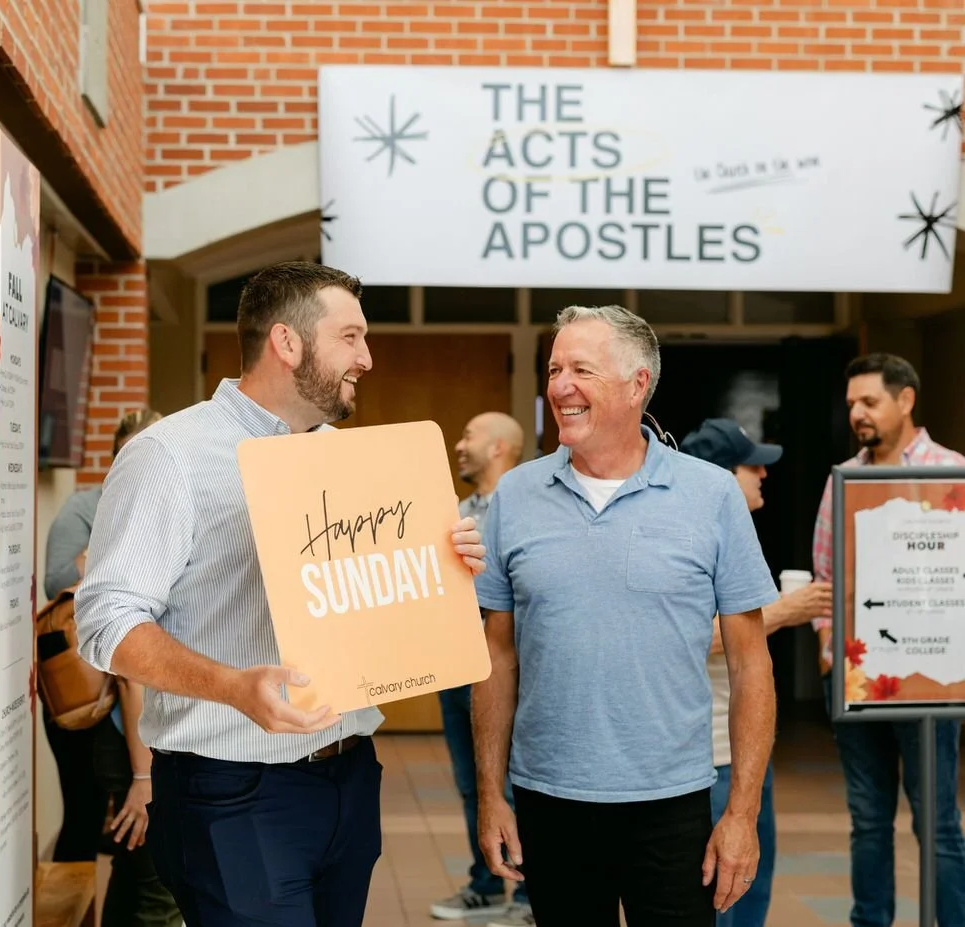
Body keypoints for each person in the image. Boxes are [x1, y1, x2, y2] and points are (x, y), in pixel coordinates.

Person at [73, 261, 487, 927]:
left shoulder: (344, 456)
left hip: (349, 777)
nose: (368, 357)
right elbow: (104, 623)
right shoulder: (170, 454)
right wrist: (234, 686)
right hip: (232, 788)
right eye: (350, 337)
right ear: (288, 343)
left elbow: (367, 599)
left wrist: (444, 564)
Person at [471, 305, 779, 927]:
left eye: (581, 368)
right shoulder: (515, 496)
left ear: (639, 384)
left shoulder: (712, 495)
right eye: (554, 368)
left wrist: (742, 813)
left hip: (673, 804)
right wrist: (488, 796)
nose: (559, 385)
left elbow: (751, 663)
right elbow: (496, 656)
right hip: (547, 801)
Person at [811, 353, 965, 927]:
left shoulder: (953, 472)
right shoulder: (843, 478)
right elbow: (825, 572)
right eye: (852, 403)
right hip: (858, 677)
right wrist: (830, 653)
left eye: (869, 402)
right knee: (868, 820)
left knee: (938, 822)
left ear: (906, 401)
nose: (857, 413)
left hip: (932, 679)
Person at [679, 417, 834, 927]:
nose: (763, 477)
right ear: (722, 474)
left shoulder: (734, 537)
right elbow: (696, 638)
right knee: (724, 898)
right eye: (753, 467)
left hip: (744, 753)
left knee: (751, 893)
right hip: (709, 757)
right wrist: (787, 612)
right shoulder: (688, 540)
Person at [42, 408, 184, 927]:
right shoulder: (93, 512)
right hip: (105, 713)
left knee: (133, 867)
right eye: (136, 456)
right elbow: (58, 584)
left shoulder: (169, 514)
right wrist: (144, 774)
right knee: (132, 867)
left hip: (139, 725)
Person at [431, 413, 532, 926]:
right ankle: (488, 884)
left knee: (520, 782)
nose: (458, 444)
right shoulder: (451, 512)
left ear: (498, 448)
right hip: (456, 663)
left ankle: (535, 898)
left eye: (468, 435)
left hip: (512, 668)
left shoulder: (530, 507)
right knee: (474, 781)